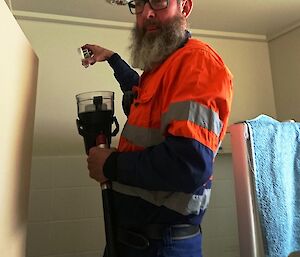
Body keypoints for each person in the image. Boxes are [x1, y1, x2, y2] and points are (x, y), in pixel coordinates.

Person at [82, 0, 233, 256]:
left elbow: (189, 165)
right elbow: (140, 94)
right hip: (132, 241)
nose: (147, 12)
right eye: (139, 3)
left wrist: (110, 165)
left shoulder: (197, 63)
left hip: (162, 246)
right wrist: (112, 59)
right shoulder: (162, 69)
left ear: (185, 7)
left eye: (159, 1)